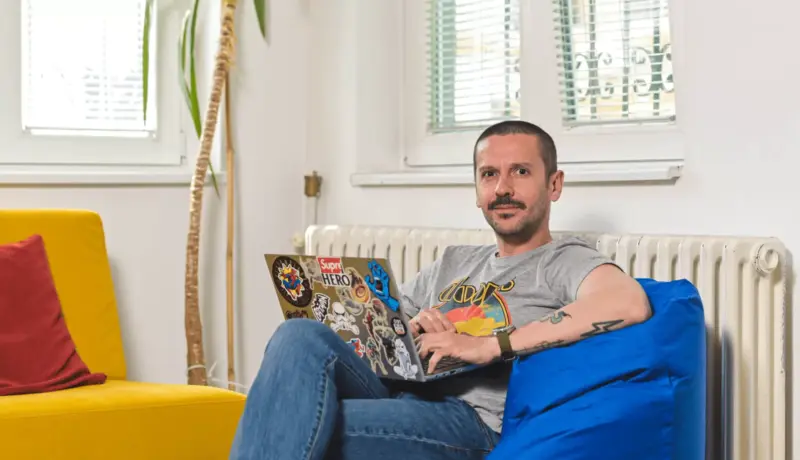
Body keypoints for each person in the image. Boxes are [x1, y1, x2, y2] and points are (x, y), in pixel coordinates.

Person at [229, 120, 652, 460]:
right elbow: (384, 334)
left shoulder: (563, 260)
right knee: (299, 334)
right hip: (401, 391)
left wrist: (489, 345)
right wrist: (411, 328)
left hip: (468, 418)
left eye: (520, 172)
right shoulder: (454, 260)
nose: (502, 188)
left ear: (554, 185)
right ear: (477, 191)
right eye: (489, 174)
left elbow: (628, 303)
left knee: (303, 418)